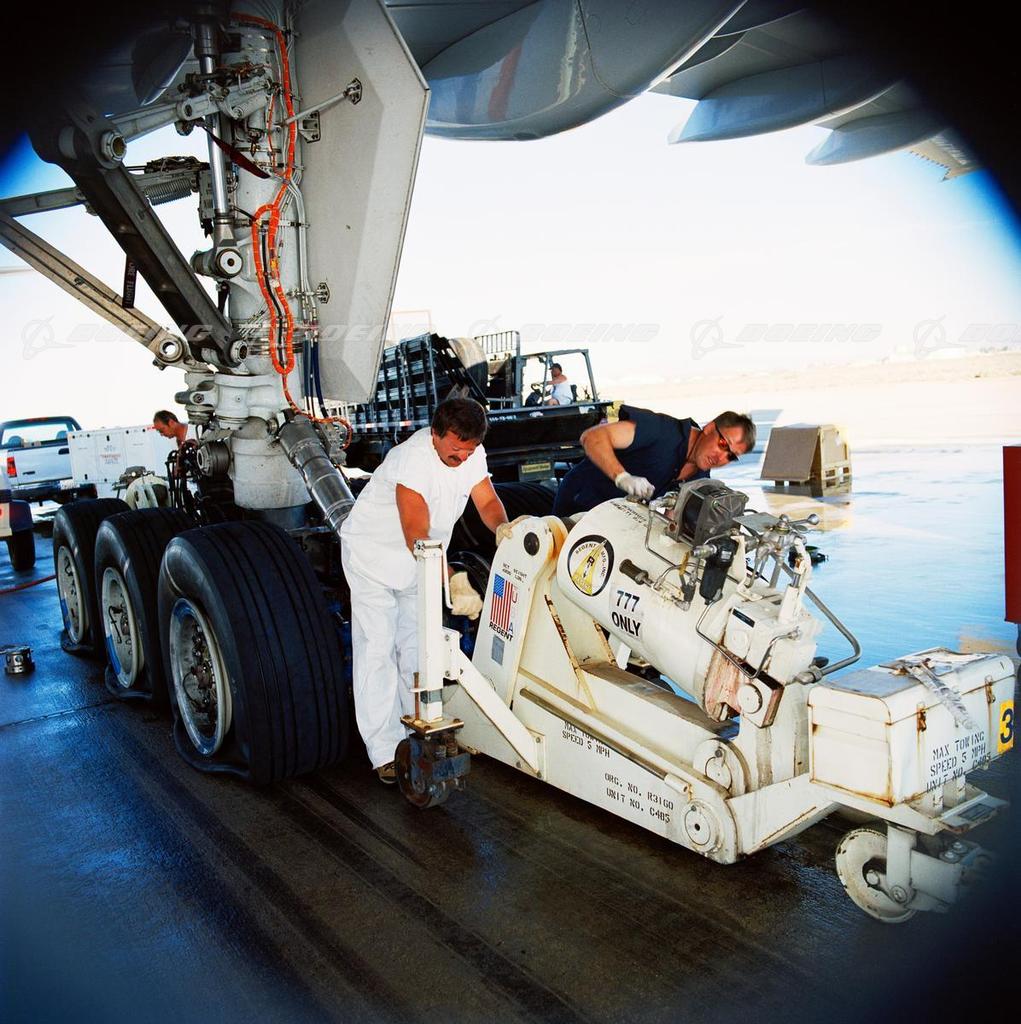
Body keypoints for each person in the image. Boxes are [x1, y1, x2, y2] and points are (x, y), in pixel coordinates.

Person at [340, 398, 510, 784]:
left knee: (417, 649)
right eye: (455, 450)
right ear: (435, 433)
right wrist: (451, 578)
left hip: (421, 562)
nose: (462, 458)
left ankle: (415, 730)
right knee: (378, 649)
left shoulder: (471, 454)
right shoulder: (413, 459)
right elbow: (415, 532)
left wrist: (504, 528)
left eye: (469, 451)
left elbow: (486, 500)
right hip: (374, 558)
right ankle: (384, 750)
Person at [553, 406, 755, 516]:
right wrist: (622, 477)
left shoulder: (700, 477)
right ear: (709, 428)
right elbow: (592, 437)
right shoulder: (661, 430)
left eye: (731, 456)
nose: (721, 457)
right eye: (723, 444)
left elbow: (673, 518)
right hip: (577, 506)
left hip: (614, 523)